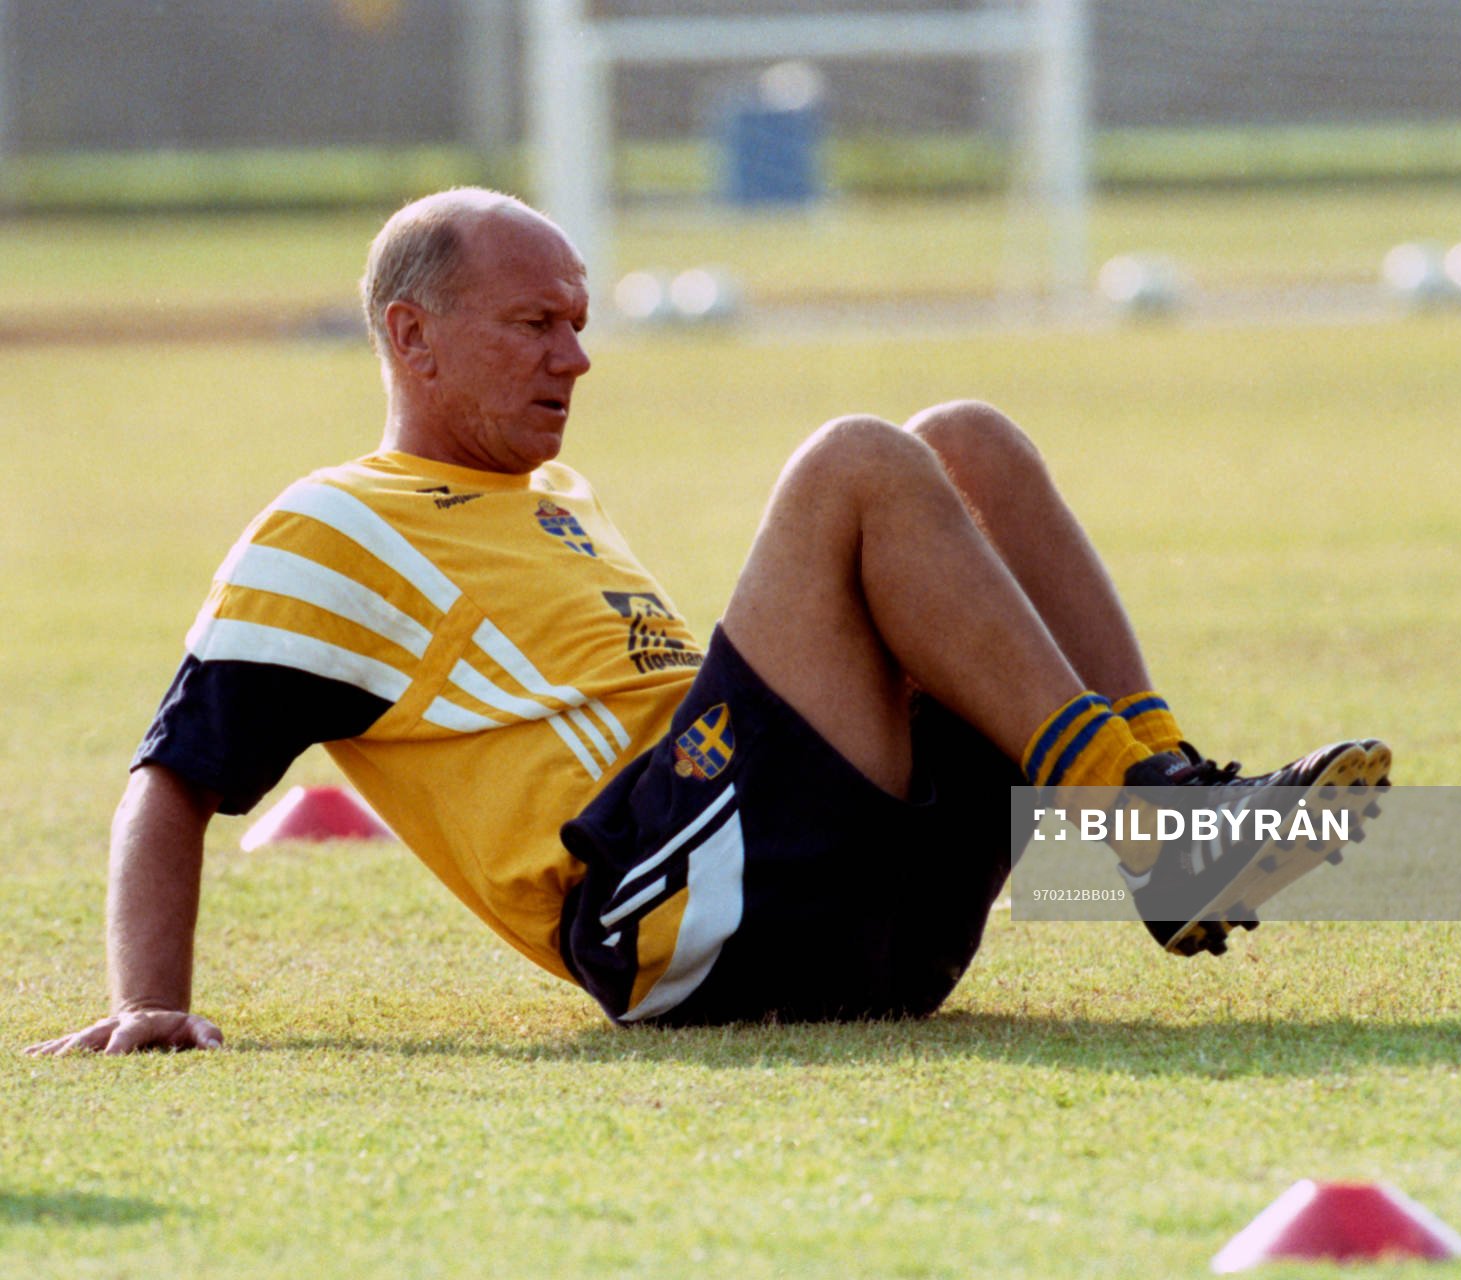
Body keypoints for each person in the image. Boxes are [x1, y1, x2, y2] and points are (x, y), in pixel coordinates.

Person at [27, 188, 1386, 1055]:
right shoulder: (330, 530)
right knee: (855, 458)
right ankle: (1147, 828)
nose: (576, 357)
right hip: (669, 918)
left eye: (578, 322)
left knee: (964, 440)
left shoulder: (559, 499)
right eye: (532, 326)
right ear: (412, 337)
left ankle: (1158, 808)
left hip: (863, 929)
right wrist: (148, 1006)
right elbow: (172, 781)